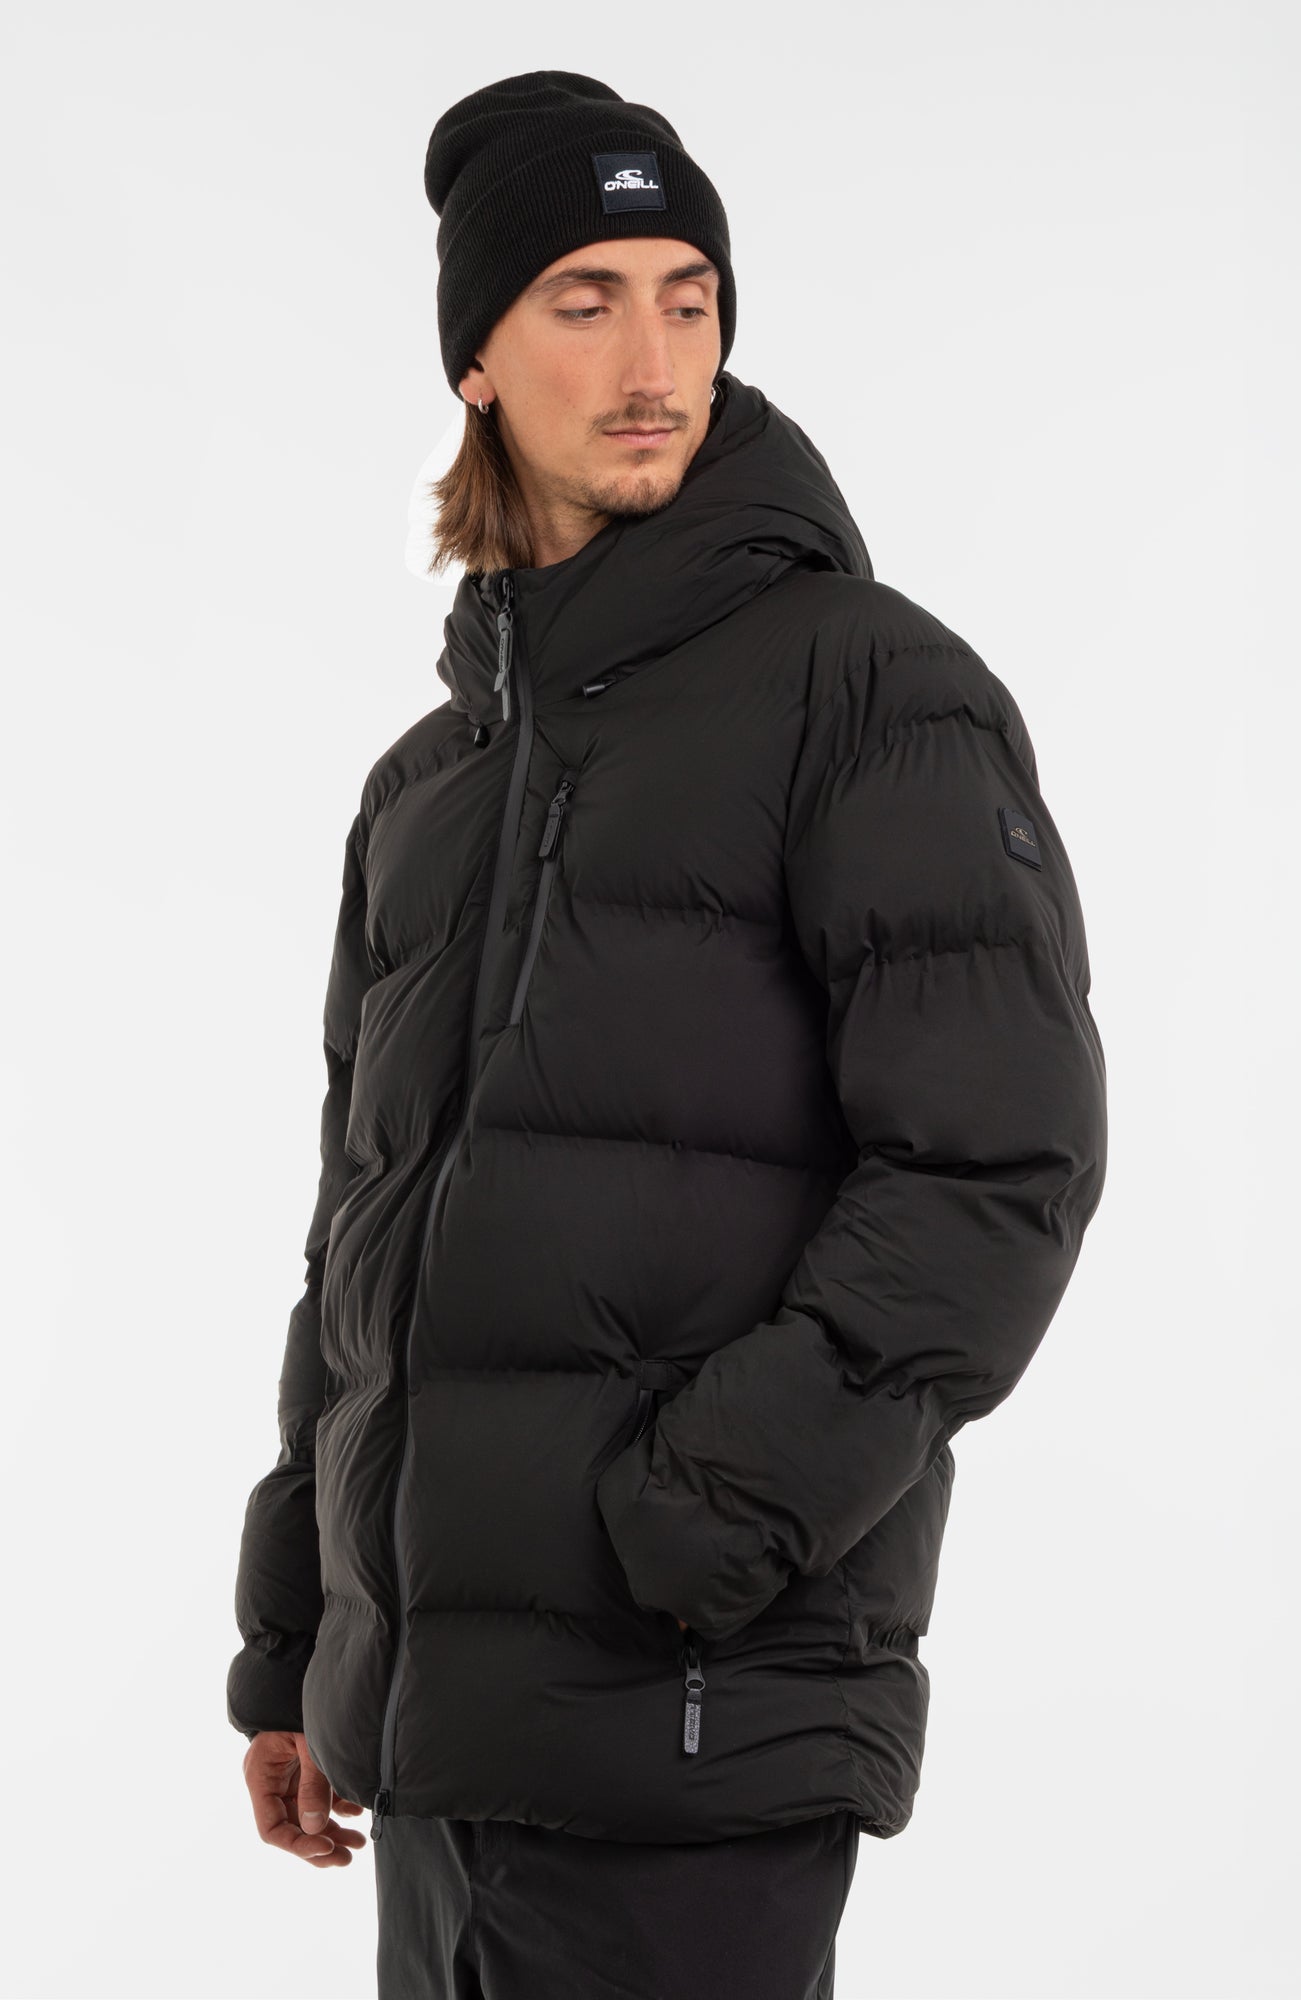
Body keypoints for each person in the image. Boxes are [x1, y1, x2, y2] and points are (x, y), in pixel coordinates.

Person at [227, 70, 1108, 2000]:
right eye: (586, 300)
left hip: (693, 1716)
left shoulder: (866, 688)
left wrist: (702, 1518)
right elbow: (358, 1240)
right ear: (476, 359)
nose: (653, 363)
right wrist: (299, 1640)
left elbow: (995, 1169)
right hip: (438, 1746)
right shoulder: (426, 786)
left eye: (688, 300)